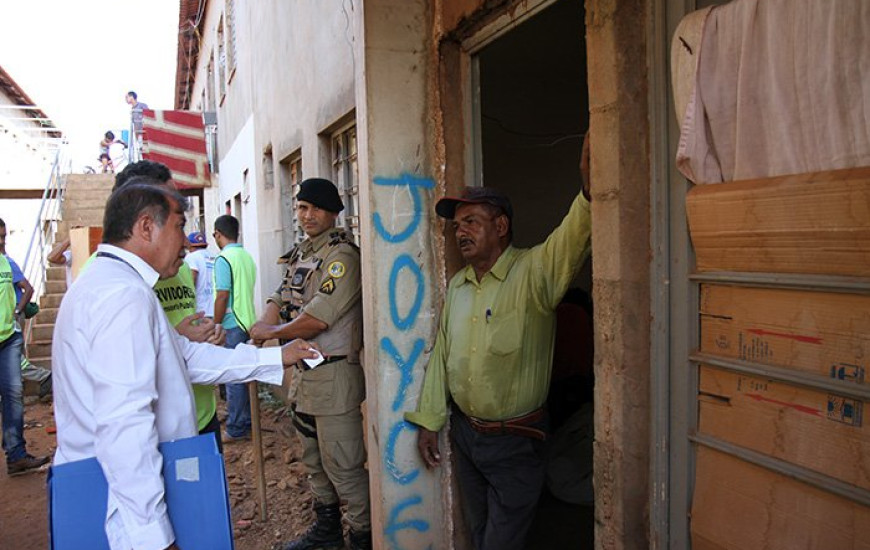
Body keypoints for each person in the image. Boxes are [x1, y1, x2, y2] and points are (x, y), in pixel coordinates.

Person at [51, 180, 319, 550]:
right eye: (179, 226)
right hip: (122, 507)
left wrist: (274, 356)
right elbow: (124, 424)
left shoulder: (115, 285)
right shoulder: (122, 297)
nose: (187, 242)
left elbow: (184, 357)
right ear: (146, 226)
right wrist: (154, 537)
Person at [404, 135, 592, 550]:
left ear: (501, 225)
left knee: (500, 542)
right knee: (480, 530)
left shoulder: (534, 273)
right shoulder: (459, 286)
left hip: (516, 441)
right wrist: (431, 421)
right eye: (457, 226)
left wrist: (588, 193)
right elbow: (443, 358)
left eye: (471, 222)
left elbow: (571, 239)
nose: (461, 232)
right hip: (467, 436)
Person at [249, 177, 370, 550]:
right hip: (304, 379)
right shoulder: (303, 252)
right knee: (314, 463)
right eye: (302, 208)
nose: (307, 215)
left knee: (345, 467)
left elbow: (318, 318)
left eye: (316, 208)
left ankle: (362, 538)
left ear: (334, 212)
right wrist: (267, 322)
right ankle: (328, 531)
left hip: (334, 377)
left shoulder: (342, 256)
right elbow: (280, 294)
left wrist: (270, 333)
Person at [114, 161, 227, 449]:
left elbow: (193, 328)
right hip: (153, 434)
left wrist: (210, 337)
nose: (183, 236)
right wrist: (179, 339)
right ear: (145, 223)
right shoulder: (109, 281)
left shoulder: (179, 269)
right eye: (174, 219)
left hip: (200, 415)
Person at [0, 218, 50, 476]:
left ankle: (16, 454)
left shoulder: (7, 262)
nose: (1, 242)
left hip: (8, 338)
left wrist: (18, 313)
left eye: (4, 237)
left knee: (13, 396)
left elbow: (25, 289)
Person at [212, 215, 257, 442]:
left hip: (232, 324)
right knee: (244, 374)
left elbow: (222, 295)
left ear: (218, 233)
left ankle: (237, 427)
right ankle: (246, 421)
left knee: (234, 378)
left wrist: (216, 323)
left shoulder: (224, 259)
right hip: (248, 321)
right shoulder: (245, 256)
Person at [184, 231, 216, 317]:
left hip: (201, 310)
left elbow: (192, 280)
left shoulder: (191, 257)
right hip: (217, 310)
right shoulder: (215, 256)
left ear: (189, 245)